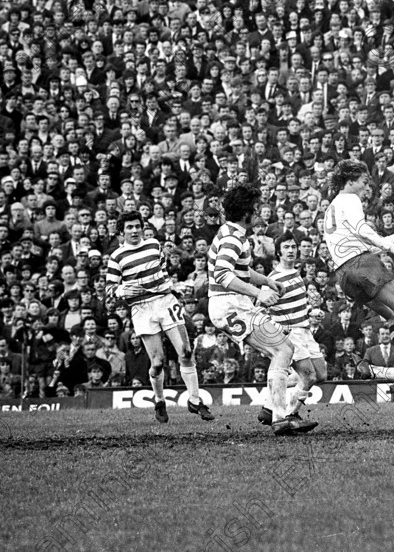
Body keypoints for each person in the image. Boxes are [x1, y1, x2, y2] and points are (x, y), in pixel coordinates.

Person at [207, 184, 316, 435]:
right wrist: (259, 293)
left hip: (233, 305)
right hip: (230, 305)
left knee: (285, 350)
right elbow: (223, 275)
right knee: (283, 349)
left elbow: (239, 271)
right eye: (256, 209)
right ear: (246, 213)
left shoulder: (230, 232)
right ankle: (280, 417)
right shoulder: (234, 239)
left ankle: (276, 413)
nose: (259, 214)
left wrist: (266, 281)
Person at [106, 210, 214, 423]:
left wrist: (173, 287)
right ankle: (159, 400)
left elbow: (163, 273)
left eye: (138, 226)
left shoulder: (154, 245)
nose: (135, 230)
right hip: (141, 308)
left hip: (165, 302)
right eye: (129, 227)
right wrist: (123, 291)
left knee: (185, 351)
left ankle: (194, 399)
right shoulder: (116, 257)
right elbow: (110, 289)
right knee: (157, 362)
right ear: (121, 232)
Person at [323, 159, 394, 366]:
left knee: (392, 316)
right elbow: (363, 231)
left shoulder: (331, 208)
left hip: (344, 274)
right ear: (350, 181)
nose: (367, 188)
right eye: (364, 181)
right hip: (363, 265)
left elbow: (364, 246)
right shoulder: (350, 199)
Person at [255, 231, 328, 427]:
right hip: (291, 334)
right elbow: (259, 312)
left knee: (321, 375)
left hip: (305, 330)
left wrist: (311, 312)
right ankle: (289, 415)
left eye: (293, 247)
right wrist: (277, 333)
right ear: (278, 252)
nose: (291, 250)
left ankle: (269, 405)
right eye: (286, 247)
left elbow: (299, 305)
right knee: (309, 376)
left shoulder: (296, 273)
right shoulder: (273, 279)